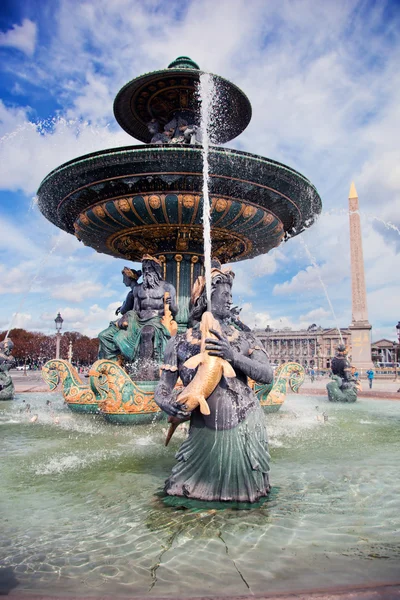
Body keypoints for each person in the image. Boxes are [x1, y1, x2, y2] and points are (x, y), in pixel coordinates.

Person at [155, 264, 273, 504]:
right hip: (203, 430)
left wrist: (233, 357)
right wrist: (163, 401)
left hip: (243, 427)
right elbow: (164, 386)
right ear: (206, 297)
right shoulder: (178, 342)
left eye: (231, 295)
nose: (230, 300)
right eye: (225, 294)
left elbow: (266, 375)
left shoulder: (244, 337)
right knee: (180, 493)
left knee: (244, 499)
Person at [99, 256, 178, 377]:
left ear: (156, 270)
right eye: (144, 269)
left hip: (157, 320)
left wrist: (169, 304)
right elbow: (136, 310)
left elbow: (175, 310)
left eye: (149, 269)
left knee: (147, 332)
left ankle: (145, 368)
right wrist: (126, 318)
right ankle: (113, 367)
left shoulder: (167, 287)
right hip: (138, 321)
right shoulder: (138, 289)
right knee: (105, 335)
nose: (146, 272)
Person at [98, 266, 141, 361]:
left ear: (129, 278)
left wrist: (121, 308)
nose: (123, 281)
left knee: (103, 335)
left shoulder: (133, 292)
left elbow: (124, 310)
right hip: (131, 320)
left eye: (124, 278)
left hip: (131, 322)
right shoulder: (135, 290)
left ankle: (112, 360)